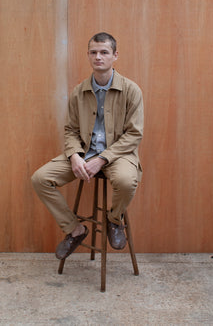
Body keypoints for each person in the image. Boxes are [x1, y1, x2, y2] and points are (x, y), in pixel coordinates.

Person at [31, 32, 143, 260]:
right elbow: (70, 130)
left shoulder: (132, 90)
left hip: (118, 154)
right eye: (94, 52)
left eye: (104, 52)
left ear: (115, 55)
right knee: (40, 179)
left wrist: (102, 159)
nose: (98, 57)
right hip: (83, 153)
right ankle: (76, 230)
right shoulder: (78, 92)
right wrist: (74, 156)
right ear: (88, 55)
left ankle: (114, 220)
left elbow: (134, 134)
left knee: (125, 180)